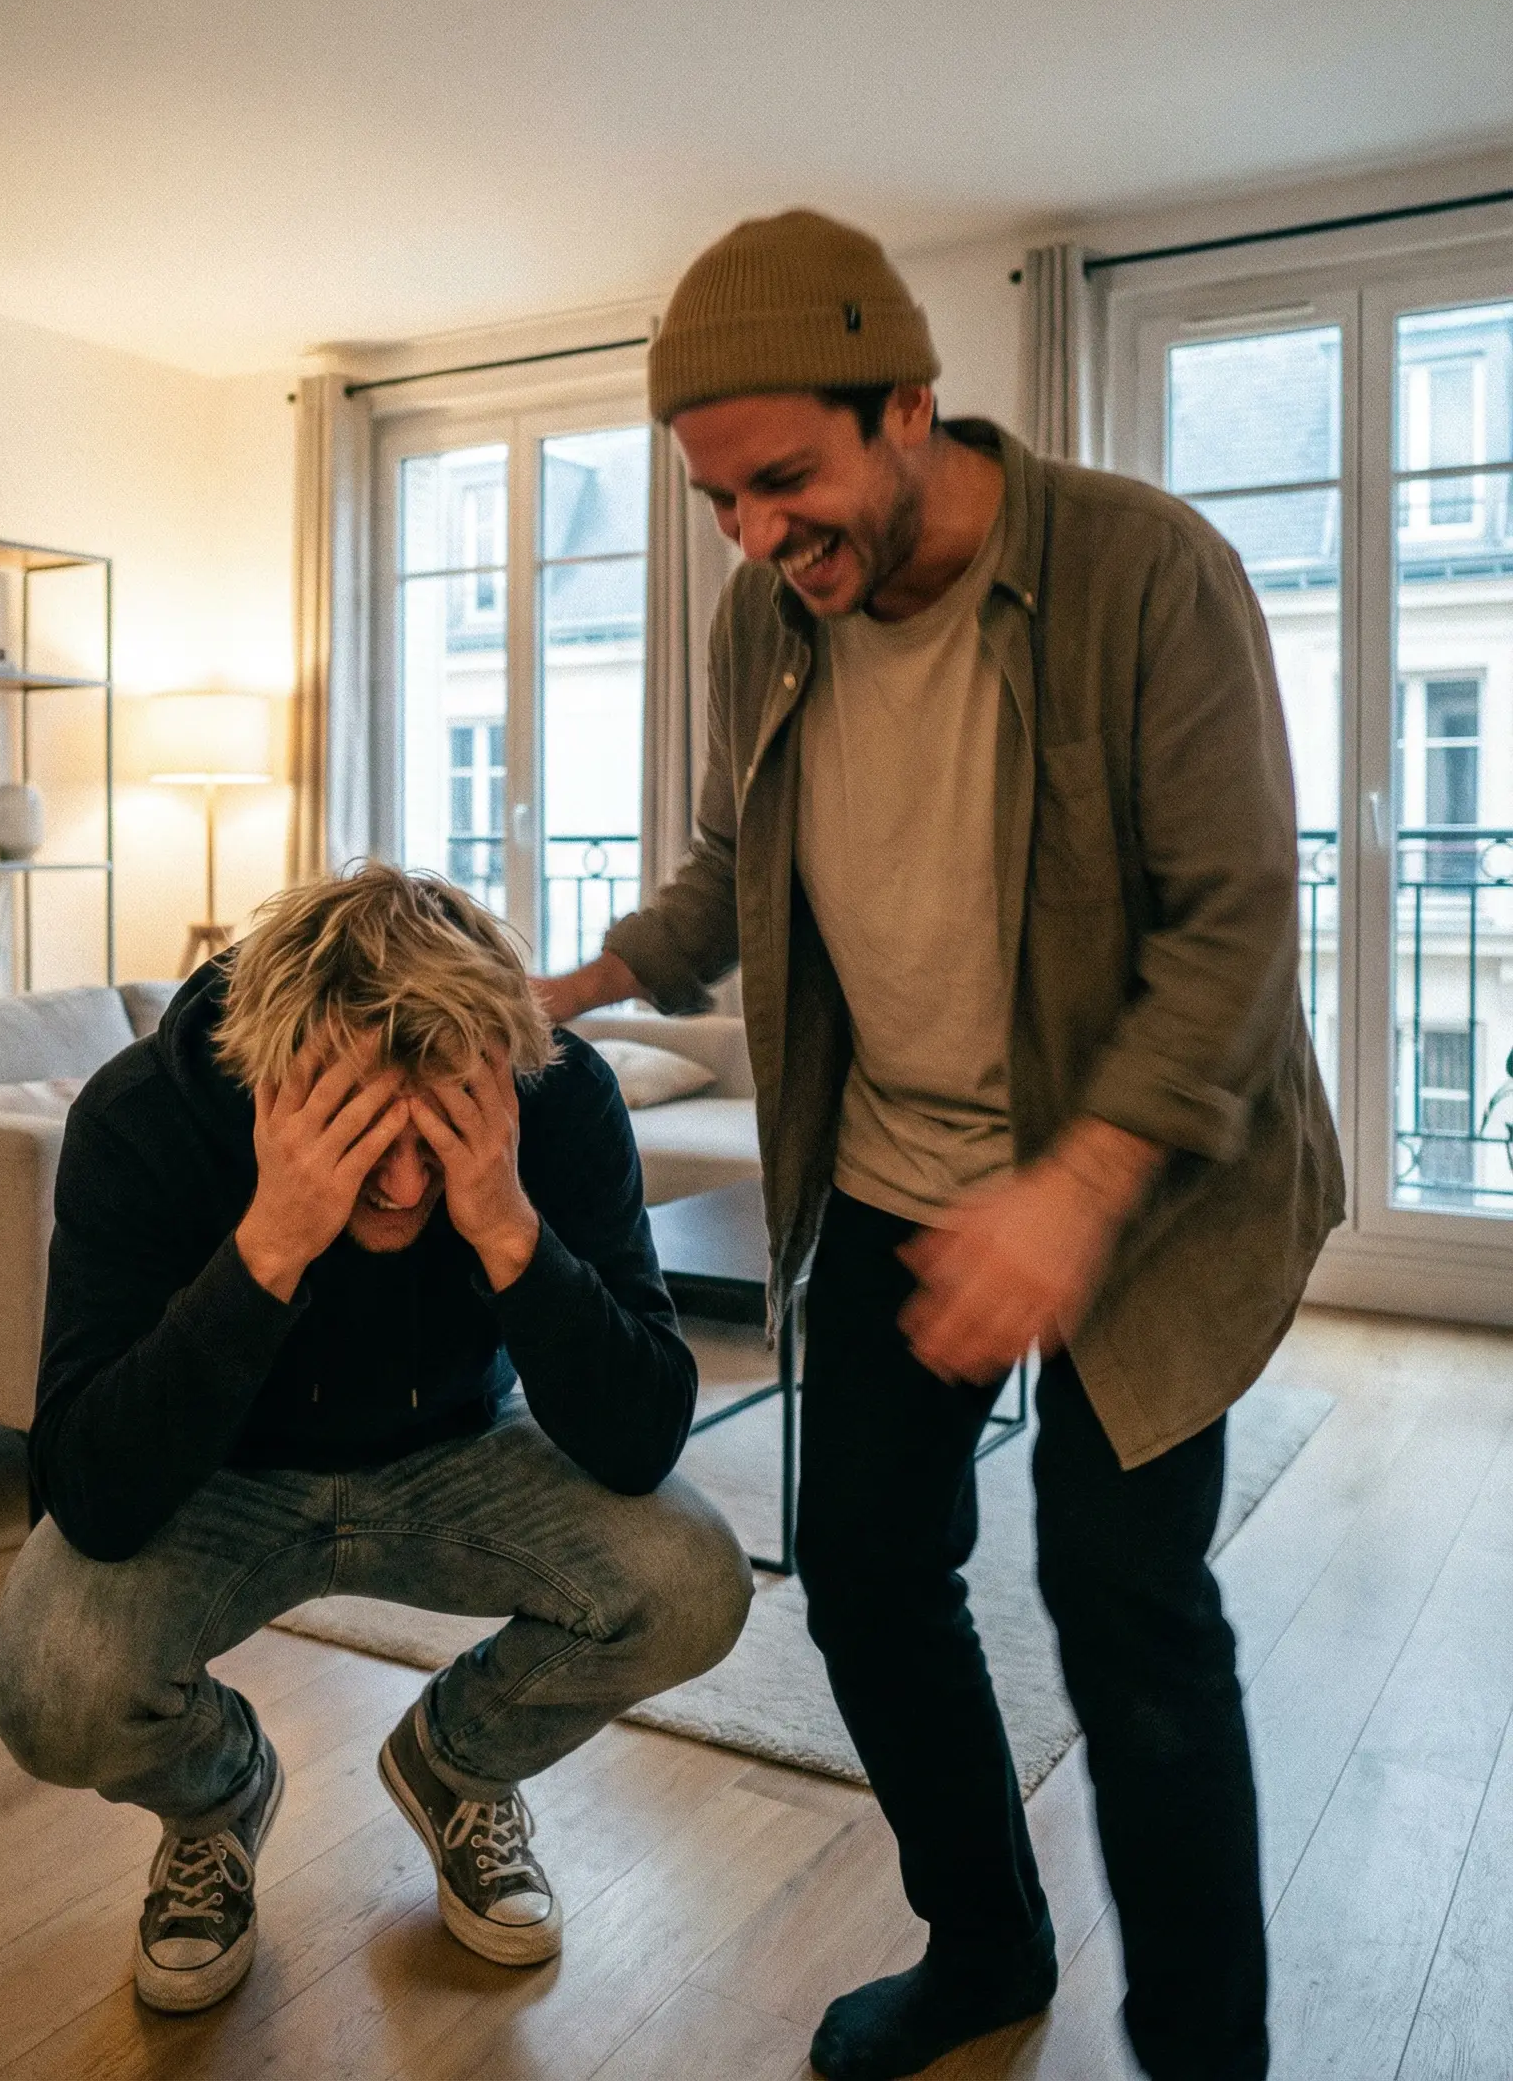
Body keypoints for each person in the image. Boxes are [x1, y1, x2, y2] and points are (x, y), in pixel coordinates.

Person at [536, 209, 1343, 2081]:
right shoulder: (767, 617)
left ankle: (1204, 2052)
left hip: (1151, 1178)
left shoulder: (1144, 569)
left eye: (785, 481)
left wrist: (1075, 1190)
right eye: (718, 500)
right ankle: (984, 1941)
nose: (757, 535)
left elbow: (1233, 925)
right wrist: (572, 983)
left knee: (1125, 1603)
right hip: (899, 1172)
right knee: (866, 1567)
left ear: (906, 405)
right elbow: (733, 866)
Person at [0, 864, 752, 2013]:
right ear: (272, 1082)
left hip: (457, 1450)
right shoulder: (143, 1115)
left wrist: (506, 1226)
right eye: (359, 1139)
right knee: (51, 1683)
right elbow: (85, 1495)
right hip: (218, 1476)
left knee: (691, 1581)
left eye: (436, 1139)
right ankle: (219, 1800)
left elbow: (640, 1440)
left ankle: (456, 1767)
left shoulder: (558, 1098)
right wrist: (267, 1248)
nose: (397, 1184)